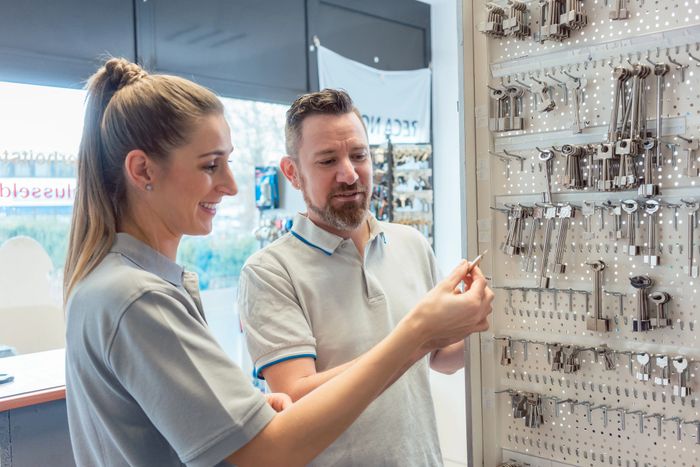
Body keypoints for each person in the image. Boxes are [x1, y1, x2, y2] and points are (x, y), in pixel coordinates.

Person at [63, 59, 494, 467]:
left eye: (359, 155)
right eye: (211, 165)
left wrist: (246, 414)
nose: (232, 185)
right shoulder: (138, 297)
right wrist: (416, 334)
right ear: (142, 171)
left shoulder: (120, 285)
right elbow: (270, 453)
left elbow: (212, 437)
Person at [239, 89, 493, 466]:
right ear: (292, 173)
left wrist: (481, 322)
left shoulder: (411, 243)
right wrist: (418, 336)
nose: (349, 173)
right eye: (327, 161)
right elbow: (296, 398)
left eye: (359, 155)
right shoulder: (269, 273)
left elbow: (439, 357)